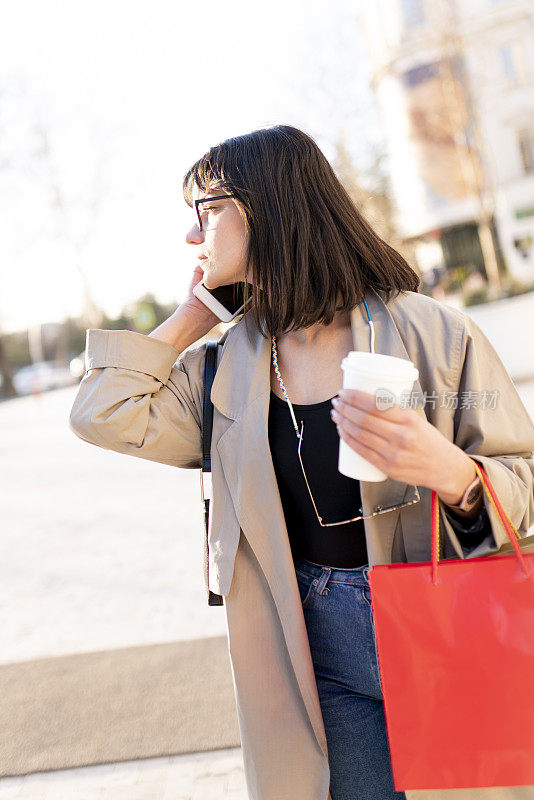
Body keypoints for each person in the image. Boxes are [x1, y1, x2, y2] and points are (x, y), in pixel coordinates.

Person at [69, 124, 534, 800]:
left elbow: (526, 478)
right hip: (313, 647)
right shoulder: (224, 368)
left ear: (270, 205)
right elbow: (99, 411)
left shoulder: (432, 333)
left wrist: (454, 474)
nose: (192, 237)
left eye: (208, 209)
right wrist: (191, 318)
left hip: (446, 625)